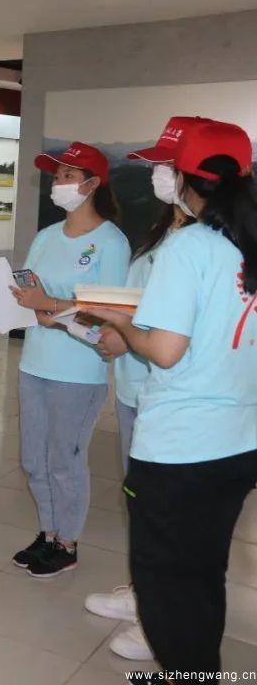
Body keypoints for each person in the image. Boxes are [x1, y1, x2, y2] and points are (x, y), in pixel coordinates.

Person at [88, 121, 257, 683]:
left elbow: (163, 350)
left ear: (186, 177)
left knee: (166, 588)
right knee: (204, 574)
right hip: (239, 443)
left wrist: (120, 322)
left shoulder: (190, 247)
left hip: (181, 448)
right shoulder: (245, 244)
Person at [83, 117, 204, 662]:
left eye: (166, 166)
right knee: (143, 501)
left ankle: (163, 618)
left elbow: (180, 330)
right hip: (138, 386)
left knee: (171, 512)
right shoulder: (164, 230)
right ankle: (143, 591)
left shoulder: (207, 245)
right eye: (154, 165)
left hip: (172, 392)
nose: (157, 174)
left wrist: (123, 332)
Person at [10, 142, 131, 577]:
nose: (58, 183)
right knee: (33, 459)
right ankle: (47, 532)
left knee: (64, 460)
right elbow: (31, 293)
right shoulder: (46, 237)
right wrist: (30, 304)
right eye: (56, 175)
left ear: (92, 184)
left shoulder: (110, 243)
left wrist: (53, 310)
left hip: (78, 370)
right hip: (34, 363)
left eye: (67, 176)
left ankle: (67, 542)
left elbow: (111, 316)